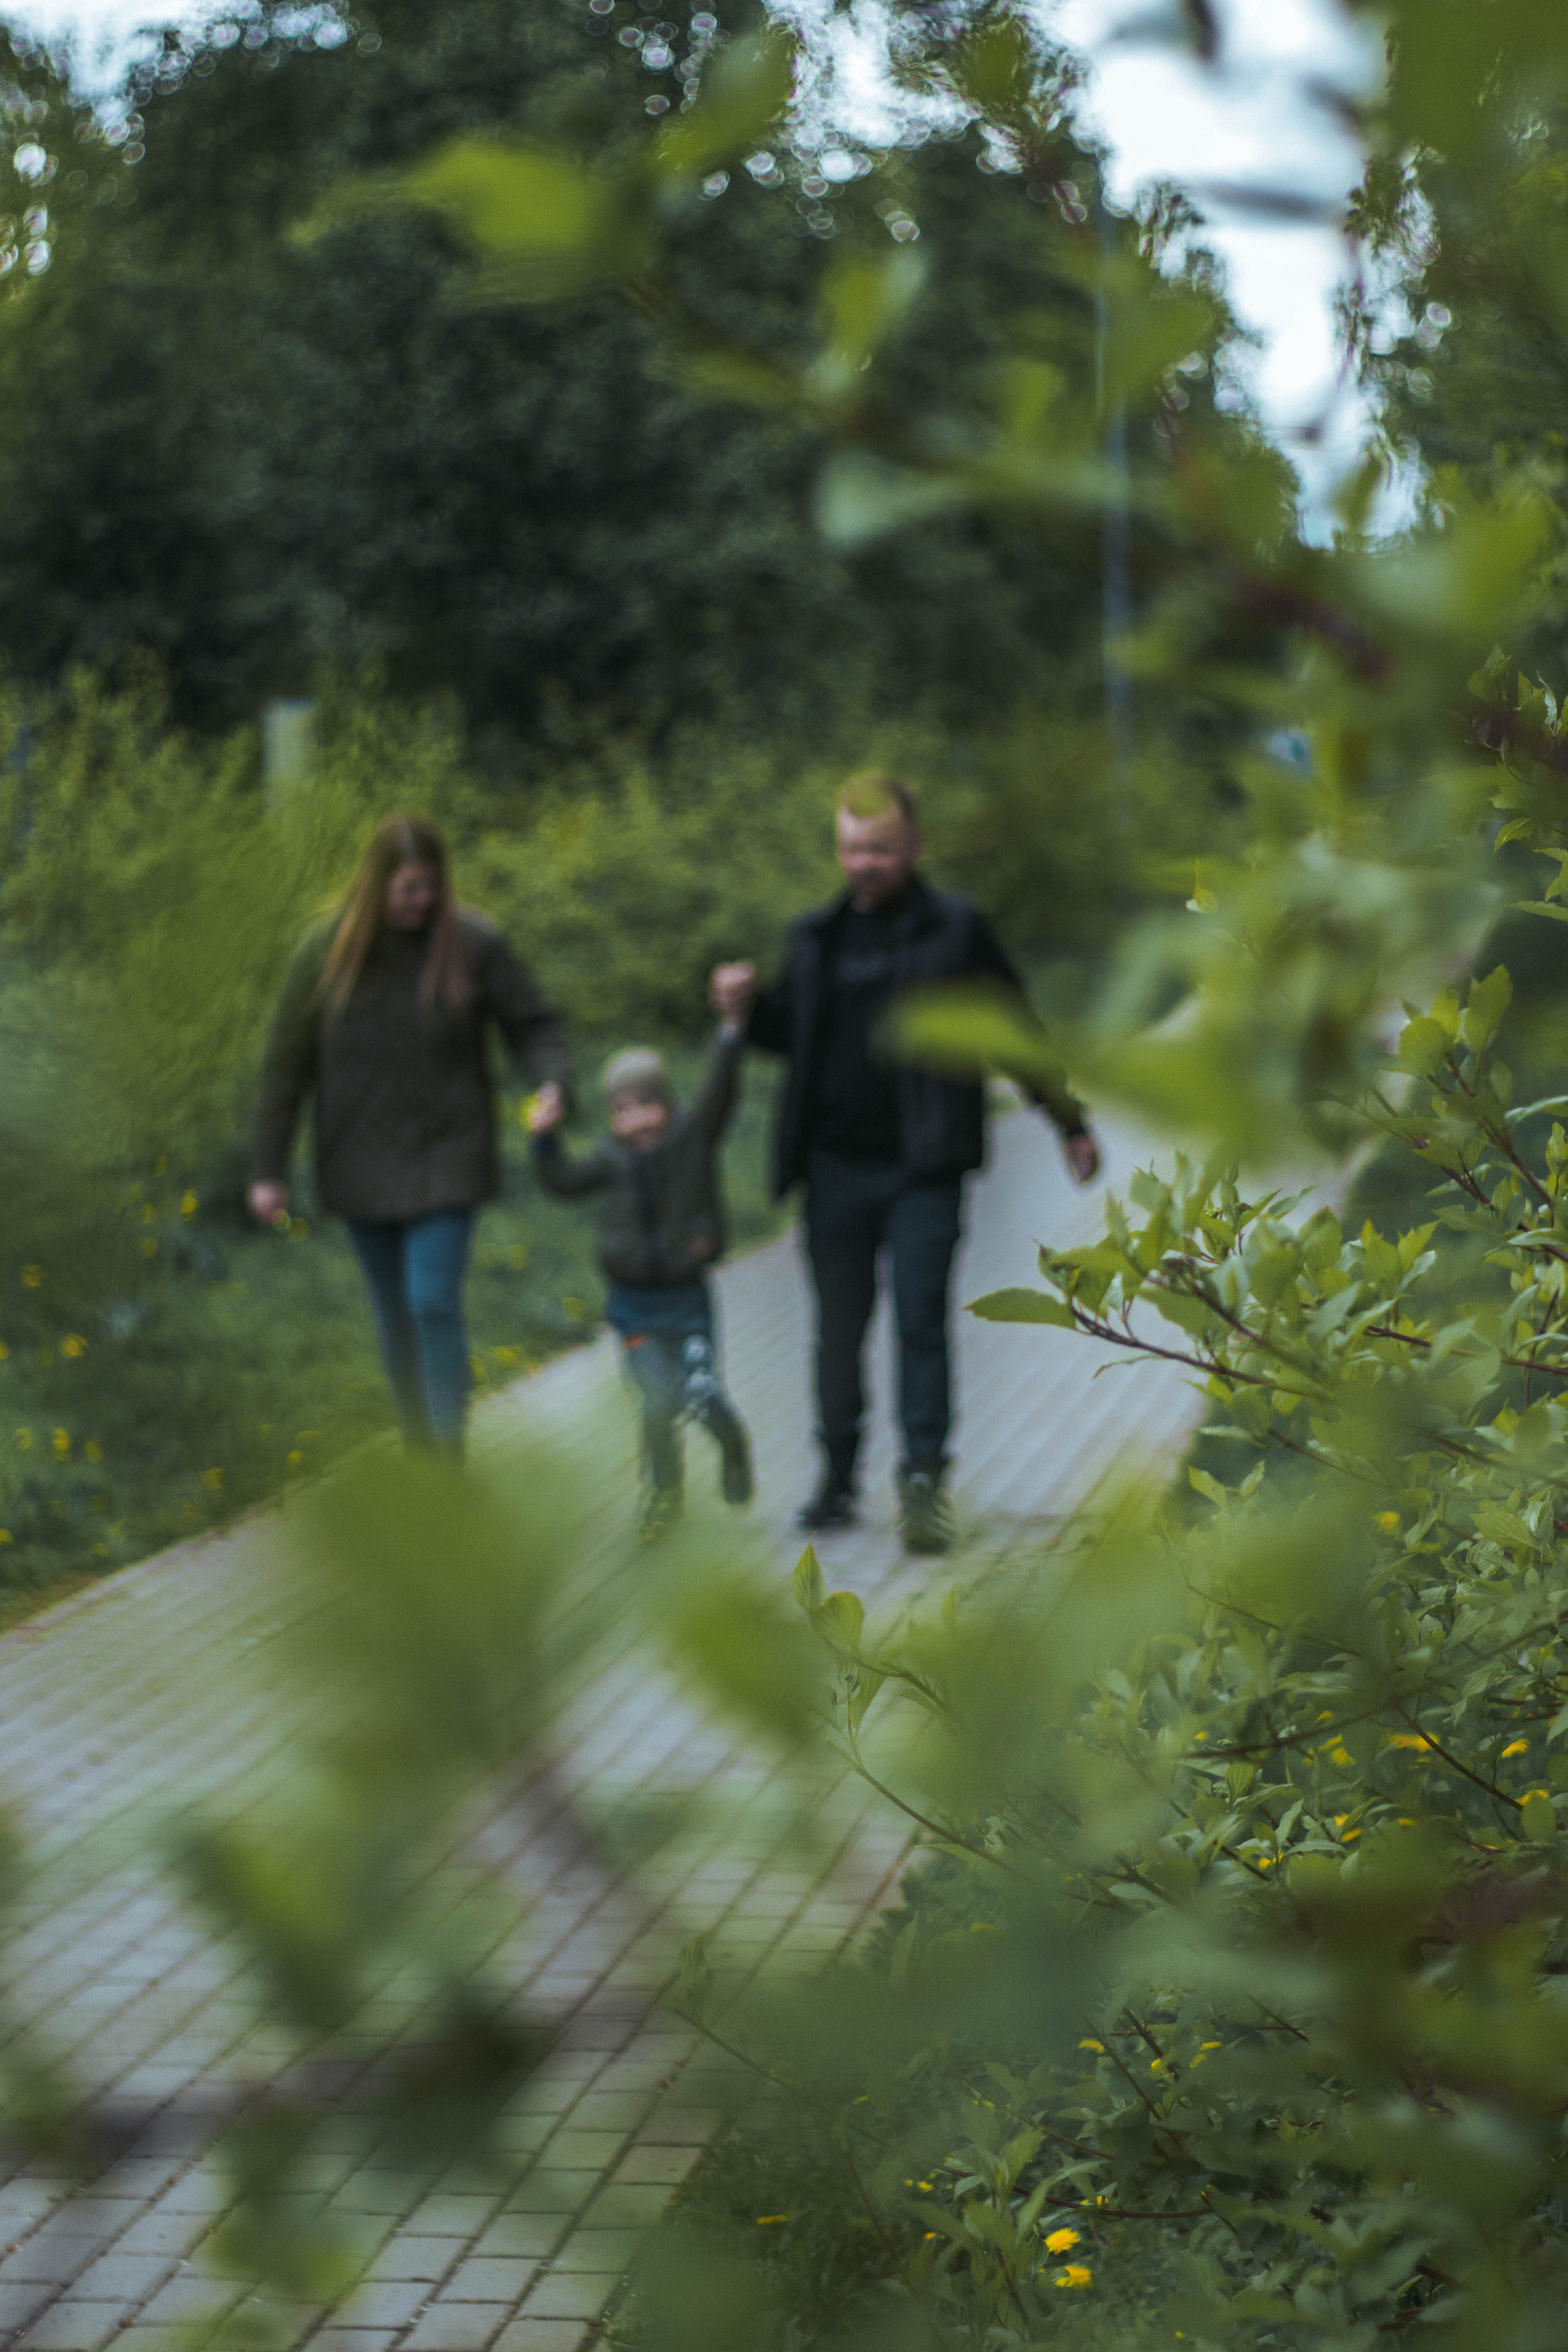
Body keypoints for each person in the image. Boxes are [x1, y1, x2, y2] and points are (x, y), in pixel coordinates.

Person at [710, 772, 1099, 1555]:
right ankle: (836, 1476)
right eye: (854, 849)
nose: (866, 864)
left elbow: (1012, 1029)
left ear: (915, 846)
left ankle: (923, 1483)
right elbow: (791, 1034)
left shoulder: (956, 931)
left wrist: (1067, 1121)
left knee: (920, 1323)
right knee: (837, 1328)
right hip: (833, 1168)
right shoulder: (814, 937)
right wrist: (744, 1011)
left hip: (925, 1164)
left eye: (882, 849)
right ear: (839, 850)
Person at [248, 814, 570, 1461]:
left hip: (447, 1154)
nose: (421, 902)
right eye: (407, 890)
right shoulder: (325, 953)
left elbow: (534, 1024)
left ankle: (447, 1457)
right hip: (359, 1157)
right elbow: (285, 1067)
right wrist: (268, 1169)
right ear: (375, 888)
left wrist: (551, 1084)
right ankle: (421, 1452)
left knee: (430, 1302)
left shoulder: (473, 943)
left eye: (430, 887)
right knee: (394, 1315)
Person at [527, 1028, 753, 1542]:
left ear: (668, 1104)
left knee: (700, 1393)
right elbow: (562, 1182)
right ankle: (663, 1497)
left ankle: (734, 1448)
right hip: (634, 1305)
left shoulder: (691, 1139)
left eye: (648, 1107)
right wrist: (544, 1138)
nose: (637, 1122)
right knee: (655, 1404)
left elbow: (721, 1091)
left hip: (686, 1300)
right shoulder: (609, 1158)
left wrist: (729, 1033)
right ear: (612, 1117)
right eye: (623, 1111)